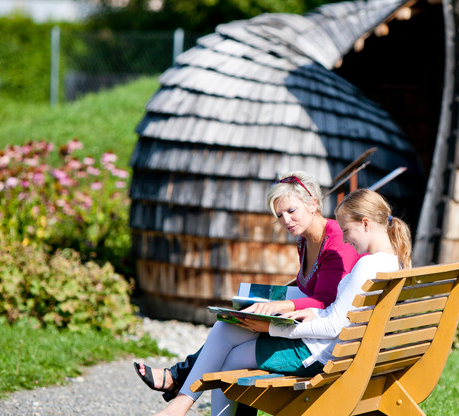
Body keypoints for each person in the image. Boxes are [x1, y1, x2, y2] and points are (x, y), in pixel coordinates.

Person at [150, 189, 412, 416]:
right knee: (229, 338)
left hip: (319, 356)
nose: (345, 239)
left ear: (366, 223)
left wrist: (272, 328)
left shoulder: (367, 264)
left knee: (230, 357)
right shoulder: (393, 261)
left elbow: (333, 326)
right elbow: (339, 315)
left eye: (347, 230)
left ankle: (179, 403)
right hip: (343, 352)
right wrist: (307, 312)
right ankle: (180, 405)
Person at [134, 170, 360, 400]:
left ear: (313, 203)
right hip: (309, 329)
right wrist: (268, 303)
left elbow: (325, 300)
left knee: (231, 343)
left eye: (291, 211)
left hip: (320, 344)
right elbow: (311, 291)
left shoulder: (335, 244)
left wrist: (277, 307)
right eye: (279, 215)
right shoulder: (304, 241)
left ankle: (177, 379)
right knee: (232, 324)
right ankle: (178, 379)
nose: (286, 221)